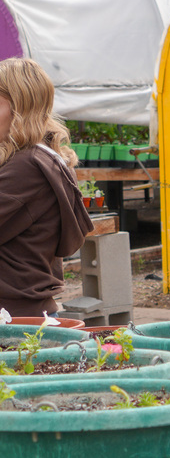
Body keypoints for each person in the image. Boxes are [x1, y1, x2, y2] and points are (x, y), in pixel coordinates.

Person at [0, 58, 92, 316]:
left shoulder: (26, 167)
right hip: (24, 312)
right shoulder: (42, 157)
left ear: (21, 109)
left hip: (13, 320)